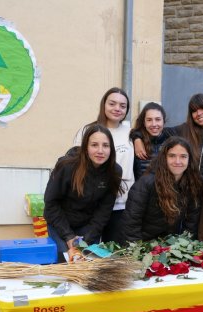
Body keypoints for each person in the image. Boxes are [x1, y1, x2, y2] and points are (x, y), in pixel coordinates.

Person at [44, 124, 123, 260]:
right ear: (86, 146)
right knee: (65, 263)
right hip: (60, 223)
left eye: (105, 145)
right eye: (94, 145)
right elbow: (51, 204)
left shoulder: (114, 171)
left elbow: (104, 211)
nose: (100, 150)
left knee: (86, 263)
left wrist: (86, 240)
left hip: (88, 226)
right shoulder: (66, 166)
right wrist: (68, 236)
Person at [74, 87, 134, 242]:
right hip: (91, 205)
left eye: (122, 106)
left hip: (120, 205)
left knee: (115, 255)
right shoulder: (87, 131)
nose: (117, 109)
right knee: (87, 253)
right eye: (112, 104)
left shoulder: (132, 133)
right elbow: (76, 165)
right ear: (104, 105)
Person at [120, 137, 203, 243]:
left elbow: (191, 222)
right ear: (164, 158)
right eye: (172, 156)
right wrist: (136, 251)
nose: (178, 161)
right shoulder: (146, 183)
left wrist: (184, 246)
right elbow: (131, 222)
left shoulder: (192, 184)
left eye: (183, 156)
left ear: (189, 159)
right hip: (142, 245)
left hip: (168, 247)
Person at [134, 93, 203, 177]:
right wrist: (137, 138)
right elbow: (156, 129)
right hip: (184, 188)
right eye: (194, 111)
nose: (199, 113)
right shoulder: (183, 129)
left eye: (202, 108)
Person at [130, 102, 177, 180]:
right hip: (141, 189)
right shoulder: (134, 141)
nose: (154, 124)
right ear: (144, 123)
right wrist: (136, 138)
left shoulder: (171, 139)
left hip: (166, 189)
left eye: (158, 119)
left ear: (163, 121)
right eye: (149, 120)